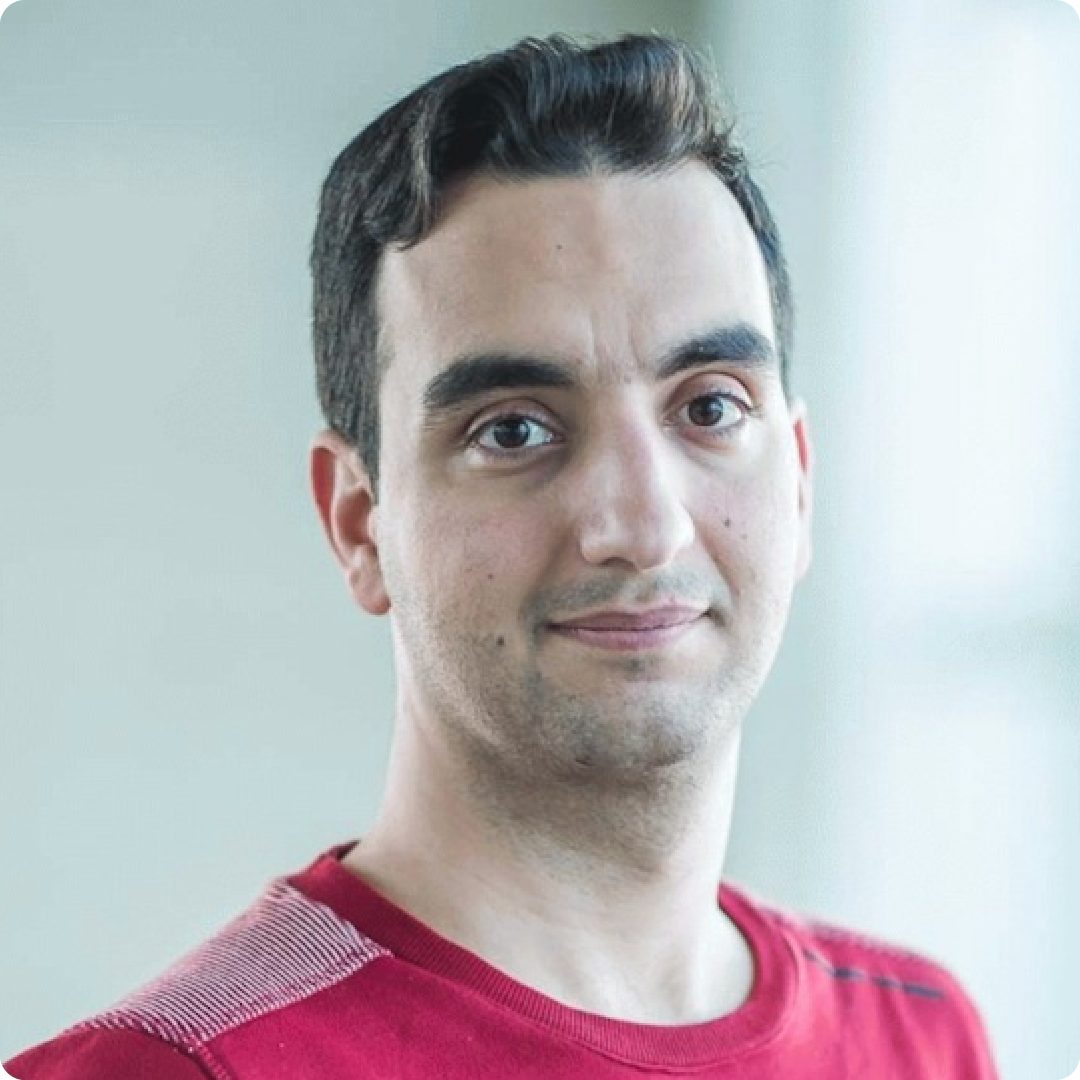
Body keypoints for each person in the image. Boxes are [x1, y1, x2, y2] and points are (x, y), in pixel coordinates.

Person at [5, 33, 1000, 1079]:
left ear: (797, 480)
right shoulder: (175, 1070)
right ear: (358, 522)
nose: (642, 526)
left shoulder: (922, 1036)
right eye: (514, 430)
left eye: (709, 407)